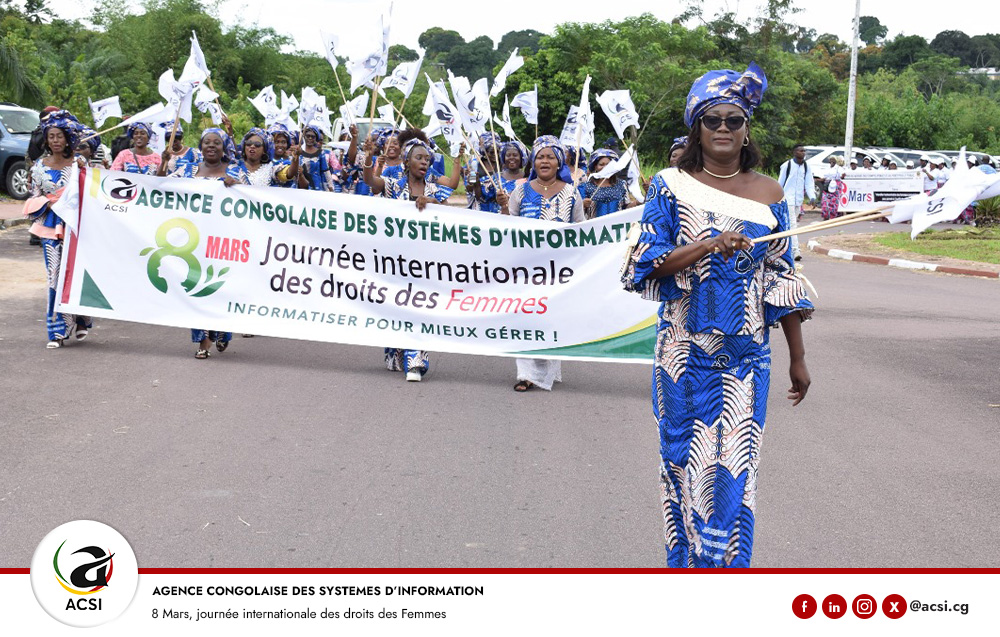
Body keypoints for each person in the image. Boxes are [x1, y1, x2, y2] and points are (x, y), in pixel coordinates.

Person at [622, 62, 813, 568]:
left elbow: (782, 277)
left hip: (747, 359)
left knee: (734, 475)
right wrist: (707, 245)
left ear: (747, 127)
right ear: (697, 129)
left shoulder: (771, 193)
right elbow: (644, 263)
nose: (724, 128)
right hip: (682, 356)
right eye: (713, 121)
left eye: (734, 120)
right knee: (684, 468)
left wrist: (798, 357)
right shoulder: (669, 186)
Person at [363, 128, 455, 382]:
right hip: (394, 260)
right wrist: (369, 159)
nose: (424, 162)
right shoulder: (393, 185)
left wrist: (433, 204)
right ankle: (397, 350)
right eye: (419, 158)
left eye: (427, 159)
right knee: (396, 305)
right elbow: (372, 183)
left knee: (419, 306)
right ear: (406, 161)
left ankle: (415, 359)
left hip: (426, 262)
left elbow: (451, 219)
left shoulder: (436, 190)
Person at [498, 135, 584, 392]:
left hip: (559, 271)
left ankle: (547, 372)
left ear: (559, 162)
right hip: (525, 268)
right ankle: (525, 374)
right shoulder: (519, 191)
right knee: (525, 317)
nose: (544, 161)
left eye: (550, 156)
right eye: (540, 156)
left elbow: (582, 230)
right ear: (533, 162)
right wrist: (503, 208)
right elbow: (507, 227)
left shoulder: (572, 193)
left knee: (550, 318)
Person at [162, 127, 241, 358]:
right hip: (193, 239)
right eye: (207, 142)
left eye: (217, 142)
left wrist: (236, 185)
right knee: (194, 285)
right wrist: (163, 163)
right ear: (201, 146)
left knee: (220, 287)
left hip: (225, 241)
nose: (211, 146)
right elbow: (159, 186)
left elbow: (252, 198)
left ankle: (223, 332)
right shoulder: (187, 170)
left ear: (224, 147)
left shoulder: (234, 170)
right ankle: (203, 341)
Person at [24, 110, 93, 348]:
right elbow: (33, 198)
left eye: (59, 136)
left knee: (76, 273)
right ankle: (56, 332)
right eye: (51, 136)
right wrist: (50, 202)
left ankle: (82, 319)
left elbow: (91, 193)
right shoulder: (38, 167)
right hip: (51, 227)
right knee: (53, 276)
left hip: (77, 226)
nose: (55, 141)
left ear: (67, 138)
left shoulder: (79, 163)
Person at [777, 143, 815, 260]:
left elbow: (809, 183)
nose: (803, 153)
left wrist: (812, 197)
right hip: (787, 200)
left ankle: (783, 250)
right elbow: (780, 183)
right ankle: (795, 251)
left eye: (804, 151)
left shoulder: (806, 167)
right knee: (793, 225)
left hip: (798, 200)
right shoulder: (787, 165)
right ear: (794, 152)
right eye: (800, 151)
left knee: (790, 226)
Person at [579, 148, 636, 218]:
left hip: (616, 226)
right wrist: (583, 204)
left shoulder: (621, 184)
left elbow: (626, 207)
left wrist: (639, 201)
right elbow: (577, 212)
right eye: (601, 164)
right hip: (594, 227)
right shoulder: (586, 186)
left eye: (608, 165)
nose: (605, 167)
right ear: (595, 167)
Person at [267, 123, 300, 189]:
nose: (280, 145)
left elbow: (290, 174)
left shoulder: (291, 160)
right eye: (276, 142)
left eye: (283, 142)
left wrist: (296, 158)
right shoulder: (263, 160)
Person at [819, 155, 843, 220]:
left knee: (834, 202)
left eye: (833, 160)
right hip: (827, 186)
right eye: (831, 160)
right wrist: (817, 180)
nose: (832, 161)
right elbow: (824, 177)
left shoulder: (839, 168)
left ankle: (833, 216)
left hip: (835, 186)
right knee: (825, 201)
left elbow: (842, 176)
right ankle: (825, 215)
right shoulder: (827, 168)